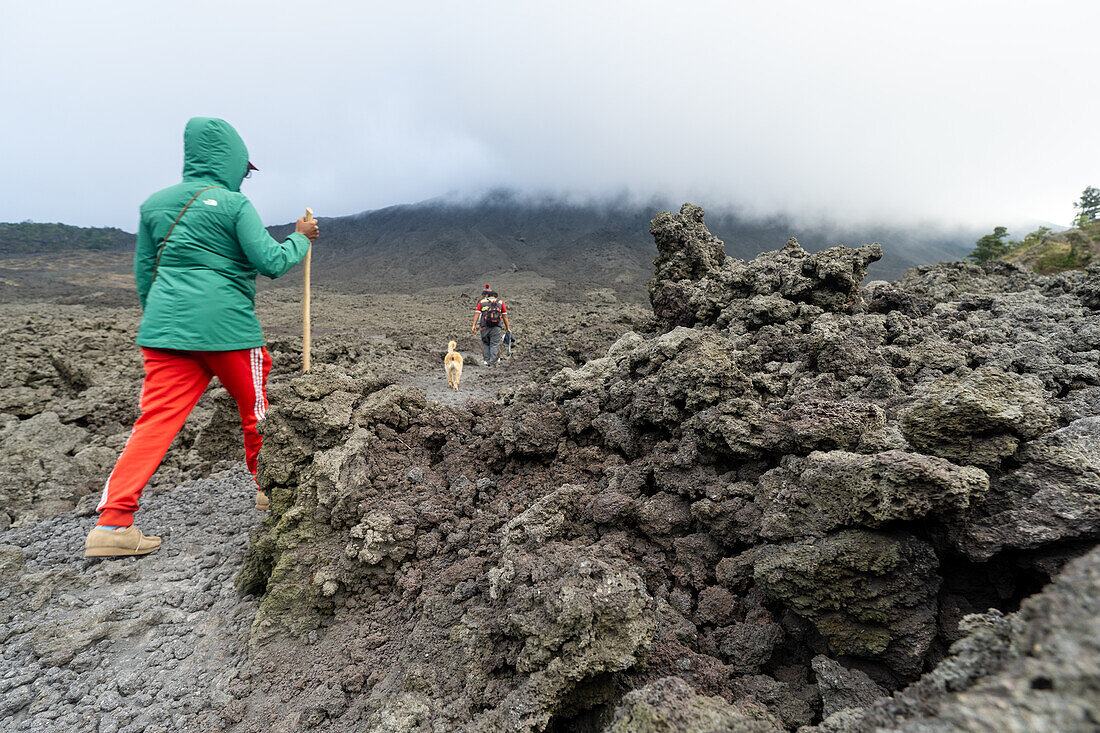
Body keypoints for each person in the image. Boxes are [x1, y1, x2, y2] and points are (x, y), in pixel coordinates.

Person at [84, 117, 319, 559]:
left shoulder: (155, 205)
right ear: (232, 162)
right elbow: (269, 260)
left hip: (166, 332)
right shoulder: (233, 205)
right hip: (228, 330)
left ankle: (111, 524)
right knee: (256, 412)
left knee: (154, 423)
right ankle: (270, 491)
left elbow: (144, 277)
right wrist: (300, 239)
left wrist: (170, 320)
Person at [471, 289, 511, 368]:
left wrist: (474, 325)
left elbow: (477, 313)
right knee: (494, 344)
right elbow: (505, 316)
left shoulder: (482, 302)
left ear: (488, 296)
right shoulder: (500, 302)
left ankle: (487, 361)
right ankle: (493, 363)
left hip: (484, 327)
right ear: (496, 297)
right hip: (496, 327)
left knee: (486, 343)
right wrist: (508, 328)